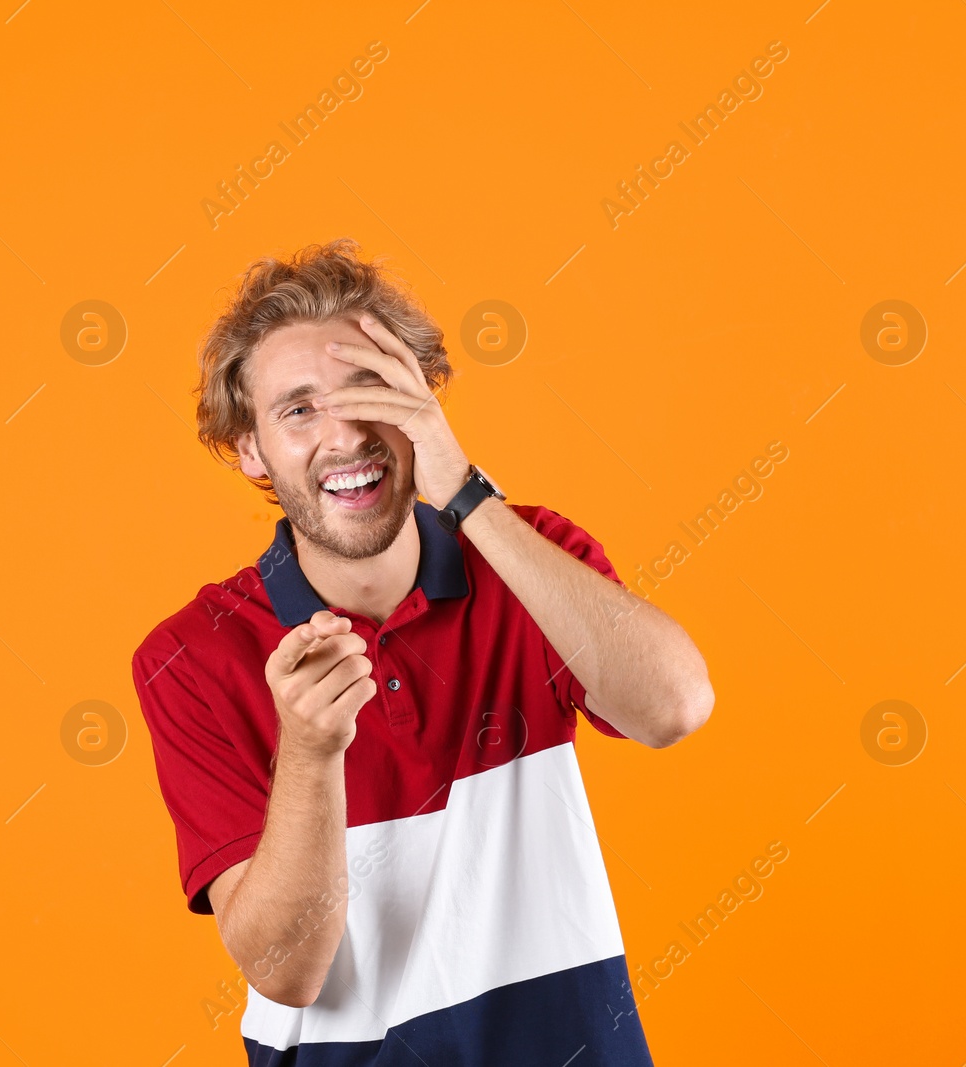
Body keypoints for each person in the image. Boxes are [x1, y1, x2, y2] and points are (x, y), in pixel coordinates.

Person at [131, 238, 714, 1065]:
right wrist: (310, 749)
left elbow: (675, 707)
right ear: (252, 449)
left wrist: (466, 491)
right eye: (298, 409)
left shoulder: (528, 558)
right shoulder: (190, 658)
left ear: (425, 399)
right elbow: (283, 971)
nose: (345, 435)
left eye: (371, 389)